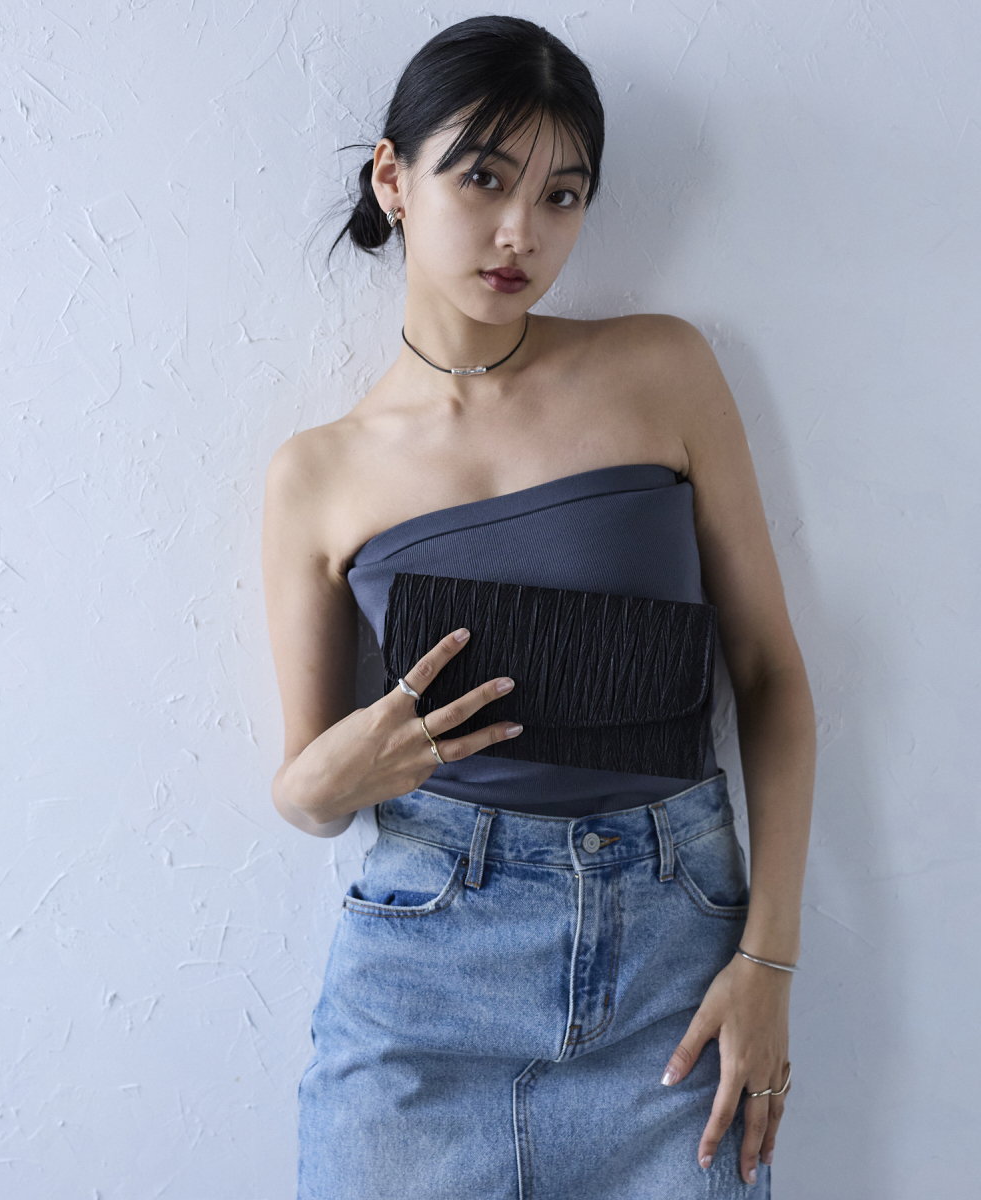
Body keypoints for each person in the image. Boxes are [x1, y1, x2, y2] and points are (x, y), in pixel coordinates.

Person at [261, 15, 815, 1200]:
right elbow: (307, 790)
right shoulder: (318, 474)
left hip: (675, 978)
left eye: (562, 195)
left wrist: (768, 962)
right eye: (484, 178)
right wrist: (319, 782)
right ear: (393, 177)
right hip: (423, 982)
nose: (521, 230)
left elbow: (768, 676)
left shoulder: (662, 369)